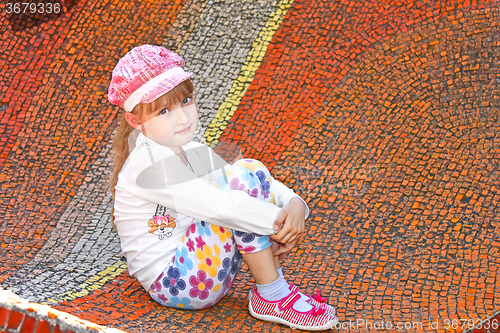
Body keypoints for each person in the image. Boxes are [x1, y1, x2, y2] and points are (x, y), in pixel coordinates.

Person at [107, 44, 338, 331]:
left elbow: (245, 179)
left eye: (186, 101)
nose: (182, 117)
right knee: (240, 182)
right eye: (164, 110)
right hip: (174, 282)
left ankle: (274, 291)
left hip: (201, 269)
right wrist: (279, 225)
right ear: (135, 121)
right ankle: (273, 295)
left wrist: (295, 205)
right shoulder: (147, 165)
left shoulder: (191, 150)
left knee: (247, 169)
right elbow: (222, 207)